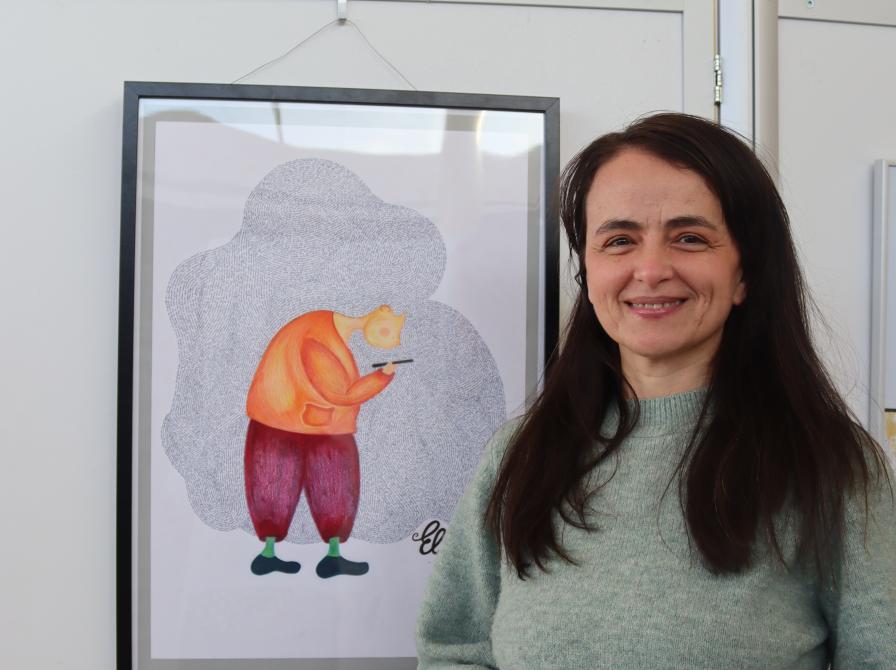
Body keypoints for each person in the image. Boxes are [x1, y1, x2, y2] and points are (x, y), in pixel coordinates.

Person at [415, 113, 896, 668]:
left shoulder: (829, 466)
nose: (649, 269)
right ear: (588, 272)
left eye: (689, 238)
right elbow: (454, 650)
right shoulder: (518, 456)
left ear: (744, 274)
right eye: (619, 240)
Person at [244, 305, 404, 577]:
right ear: (379, 312)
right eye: (390, 332)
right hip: (283, 423)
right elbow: (340, 393)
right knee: (277, 484)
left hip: (317, 425)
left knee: (334, 487)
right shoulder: (316, 335)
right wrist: (382, 377)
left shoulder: (331, 333)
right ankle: (271, 555)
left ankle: (330, 557)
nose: (394, 342)